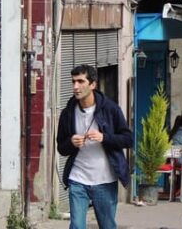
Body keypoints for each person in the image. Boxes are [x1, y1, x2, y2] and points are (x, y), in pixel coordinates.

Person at [56, 65, 133, 229]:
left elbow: (128, 139)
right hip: (78, 178)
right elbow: (61, 148)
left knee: (107, 226)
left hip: (105, 180)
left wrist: (104, 137)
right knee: (76, 225)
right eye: (73, 82)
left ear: (92, 85)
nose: (75, 87)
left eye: (80, 82)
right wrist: (71, 142)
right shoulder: (68, 113)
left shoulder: (110, 109)